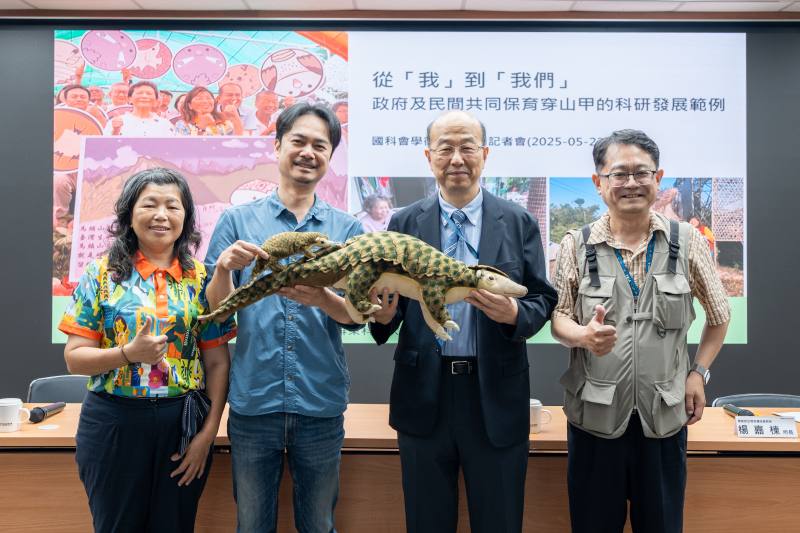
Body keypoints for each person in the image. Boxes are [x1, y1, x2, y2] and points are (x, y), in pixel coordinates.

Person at [368, 110, 558, 533]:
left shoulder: (516, 221)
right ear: (428, 156)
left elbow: (542, 299)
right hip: (424, 396)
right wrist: (380, 316)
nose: (457, 158)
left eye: (467, 147)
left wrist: (514, 314)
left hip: (495, 395)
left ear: (484, 154)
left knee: (499, 521)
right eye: (445, 148)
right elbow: (389, 307)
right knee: (426, 521)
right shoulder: (403, 222)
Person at [550, 129, 730, 533]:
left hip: (663, 421)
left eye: (641, 172)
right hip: (594, 422)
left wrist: (698, 373)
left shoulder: (687, 243)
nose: (630, 183)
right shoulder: (576, 245)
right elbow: (558, 318)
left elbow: (719, 316)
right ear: (599, 183)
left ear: (658, 177)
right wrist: (581, 337)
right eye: (619, 174)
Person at [204, 102, 363, 533]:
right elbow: (214, 308)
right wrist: (222, 269)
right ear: (277, 147)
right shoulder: (238, 220)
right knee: (252, 526)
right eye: (298, 141)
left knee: (319, 525)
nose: (308, 152)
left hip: (320, 402)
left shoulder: (347, 231)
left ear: (330, 157)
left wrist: (323, 298)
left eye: (320, 145)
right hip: (255, 402)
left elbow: (357, 317)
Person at [58, 167, 236, 533]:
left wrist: (207, 435)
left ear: (185, 217)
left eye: (173, 206)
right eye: (149, 204)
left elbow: (217, 361)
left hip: (182, 424)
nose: (161, 215)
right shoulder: (101, 274)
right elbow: (75, 358)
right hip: (114, 423)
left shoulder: (203, 279)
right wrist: (127, 354)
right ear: (129, 214)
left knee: (175, 525)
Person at [104, 81, 174, 137]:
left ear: (156, 100)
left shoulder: (164, 124)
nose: (144, 96)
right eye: (139, 93)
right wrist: (115, 131)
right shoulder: (116, 122)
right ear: (130, 99)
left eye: (149, 93)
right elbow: (105, 148)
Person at [176, 86, 243, 136]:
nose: (205, 101)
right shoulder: (182, 124)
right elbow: (184, 148)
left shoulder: (225, 122)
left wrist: (235, 118)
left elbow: (237, 142)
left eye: (208, 98)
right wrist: (202, 129)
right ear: (189, 105)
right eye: (199, 98)